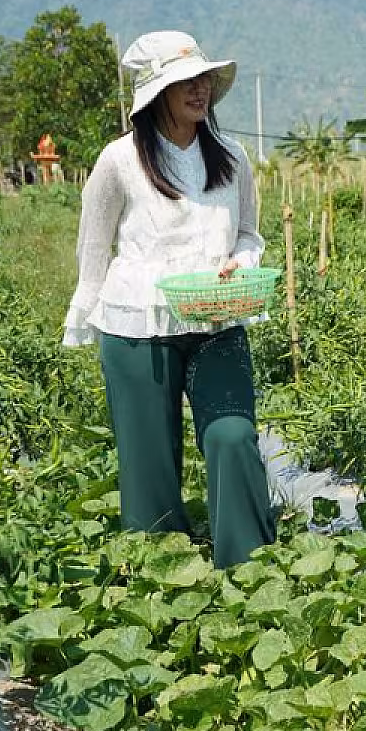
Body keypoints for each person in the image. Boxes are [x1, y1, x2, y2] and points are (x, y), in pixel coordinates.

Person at [62, 30, 276, 568]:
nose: (199, 89)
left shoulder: (231, 156)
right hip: (138, 325)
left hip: (217, 321)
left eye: (203, 78)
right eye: (185, 81)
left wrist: (242, 261)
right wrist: (84, 313)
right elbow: (94, 243)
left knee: (232, 435)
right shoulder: (119, 161)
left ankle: (248, 568)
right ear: (156, 92)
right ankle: (161, 574)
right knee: (148, 465)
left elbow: (249, 233)